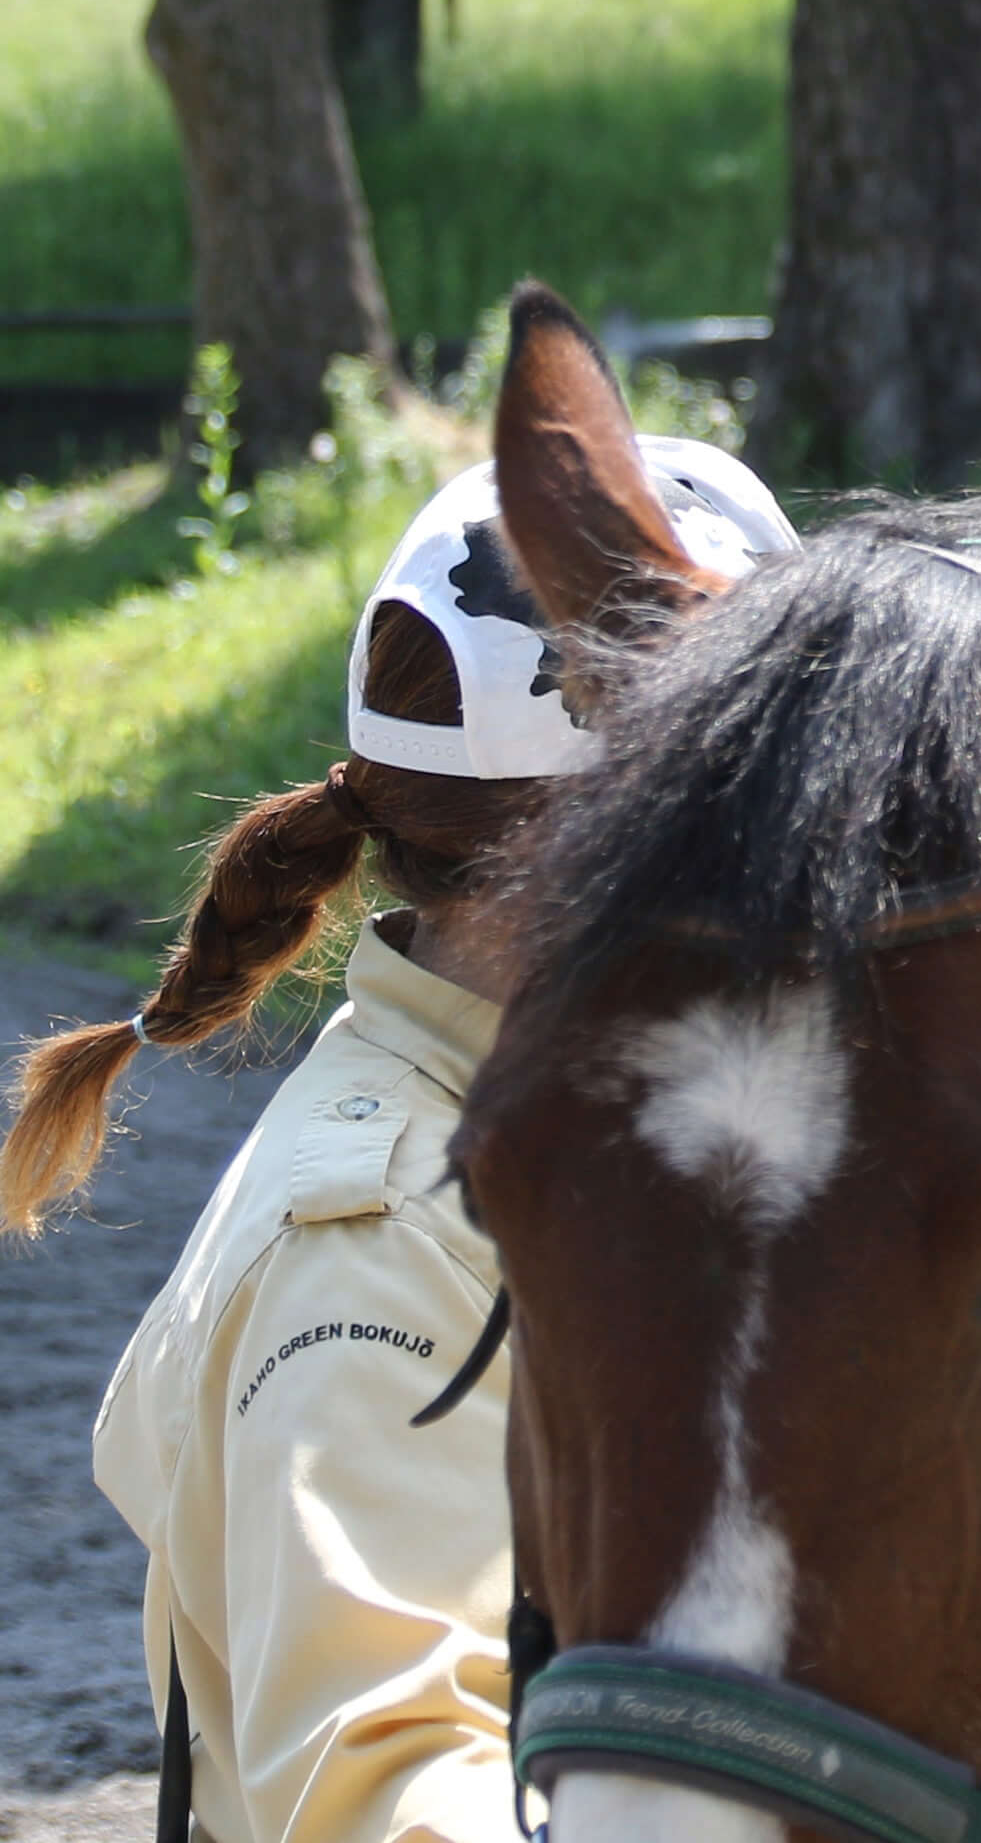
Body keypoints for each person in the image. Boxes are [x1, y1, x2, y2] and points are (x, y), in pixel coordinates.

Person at [0, 439, 797, 1843]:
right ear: (610, 862)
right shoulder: (380, 1254)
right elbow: (389, 1791)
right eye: (774, 833)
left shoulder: (589, 1139)